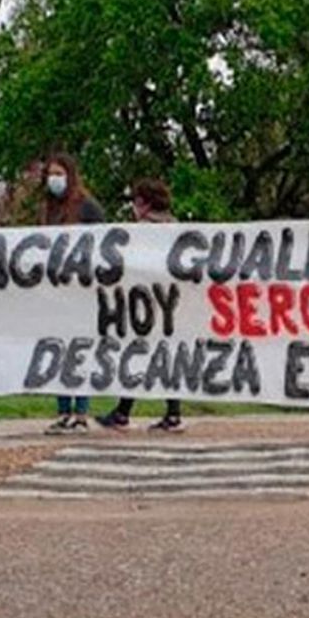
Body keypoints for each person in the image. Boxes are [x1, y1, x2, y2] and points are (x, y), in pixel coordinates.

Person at [96, 178, 186, 433]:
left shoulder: (142, 230)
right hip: (171, 301)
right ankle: (170, 413)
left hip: (146, 302)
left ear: (142, 204)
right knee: (163, 355)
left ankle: (124, 413)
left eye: (135, 202)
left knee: (138, 353)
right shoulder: (177, 227)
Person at [39, 152, 106, 434]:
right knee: (58, 350)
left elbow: (104, 243)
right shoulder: (48, 210)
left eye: (59, 173)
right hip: (57, 291)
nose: (54, 180)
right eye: (50, 174)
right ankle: (63, 409)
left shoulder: (88, 208)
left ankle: (81, 411)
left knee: (80, 350)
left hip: (82, 291)